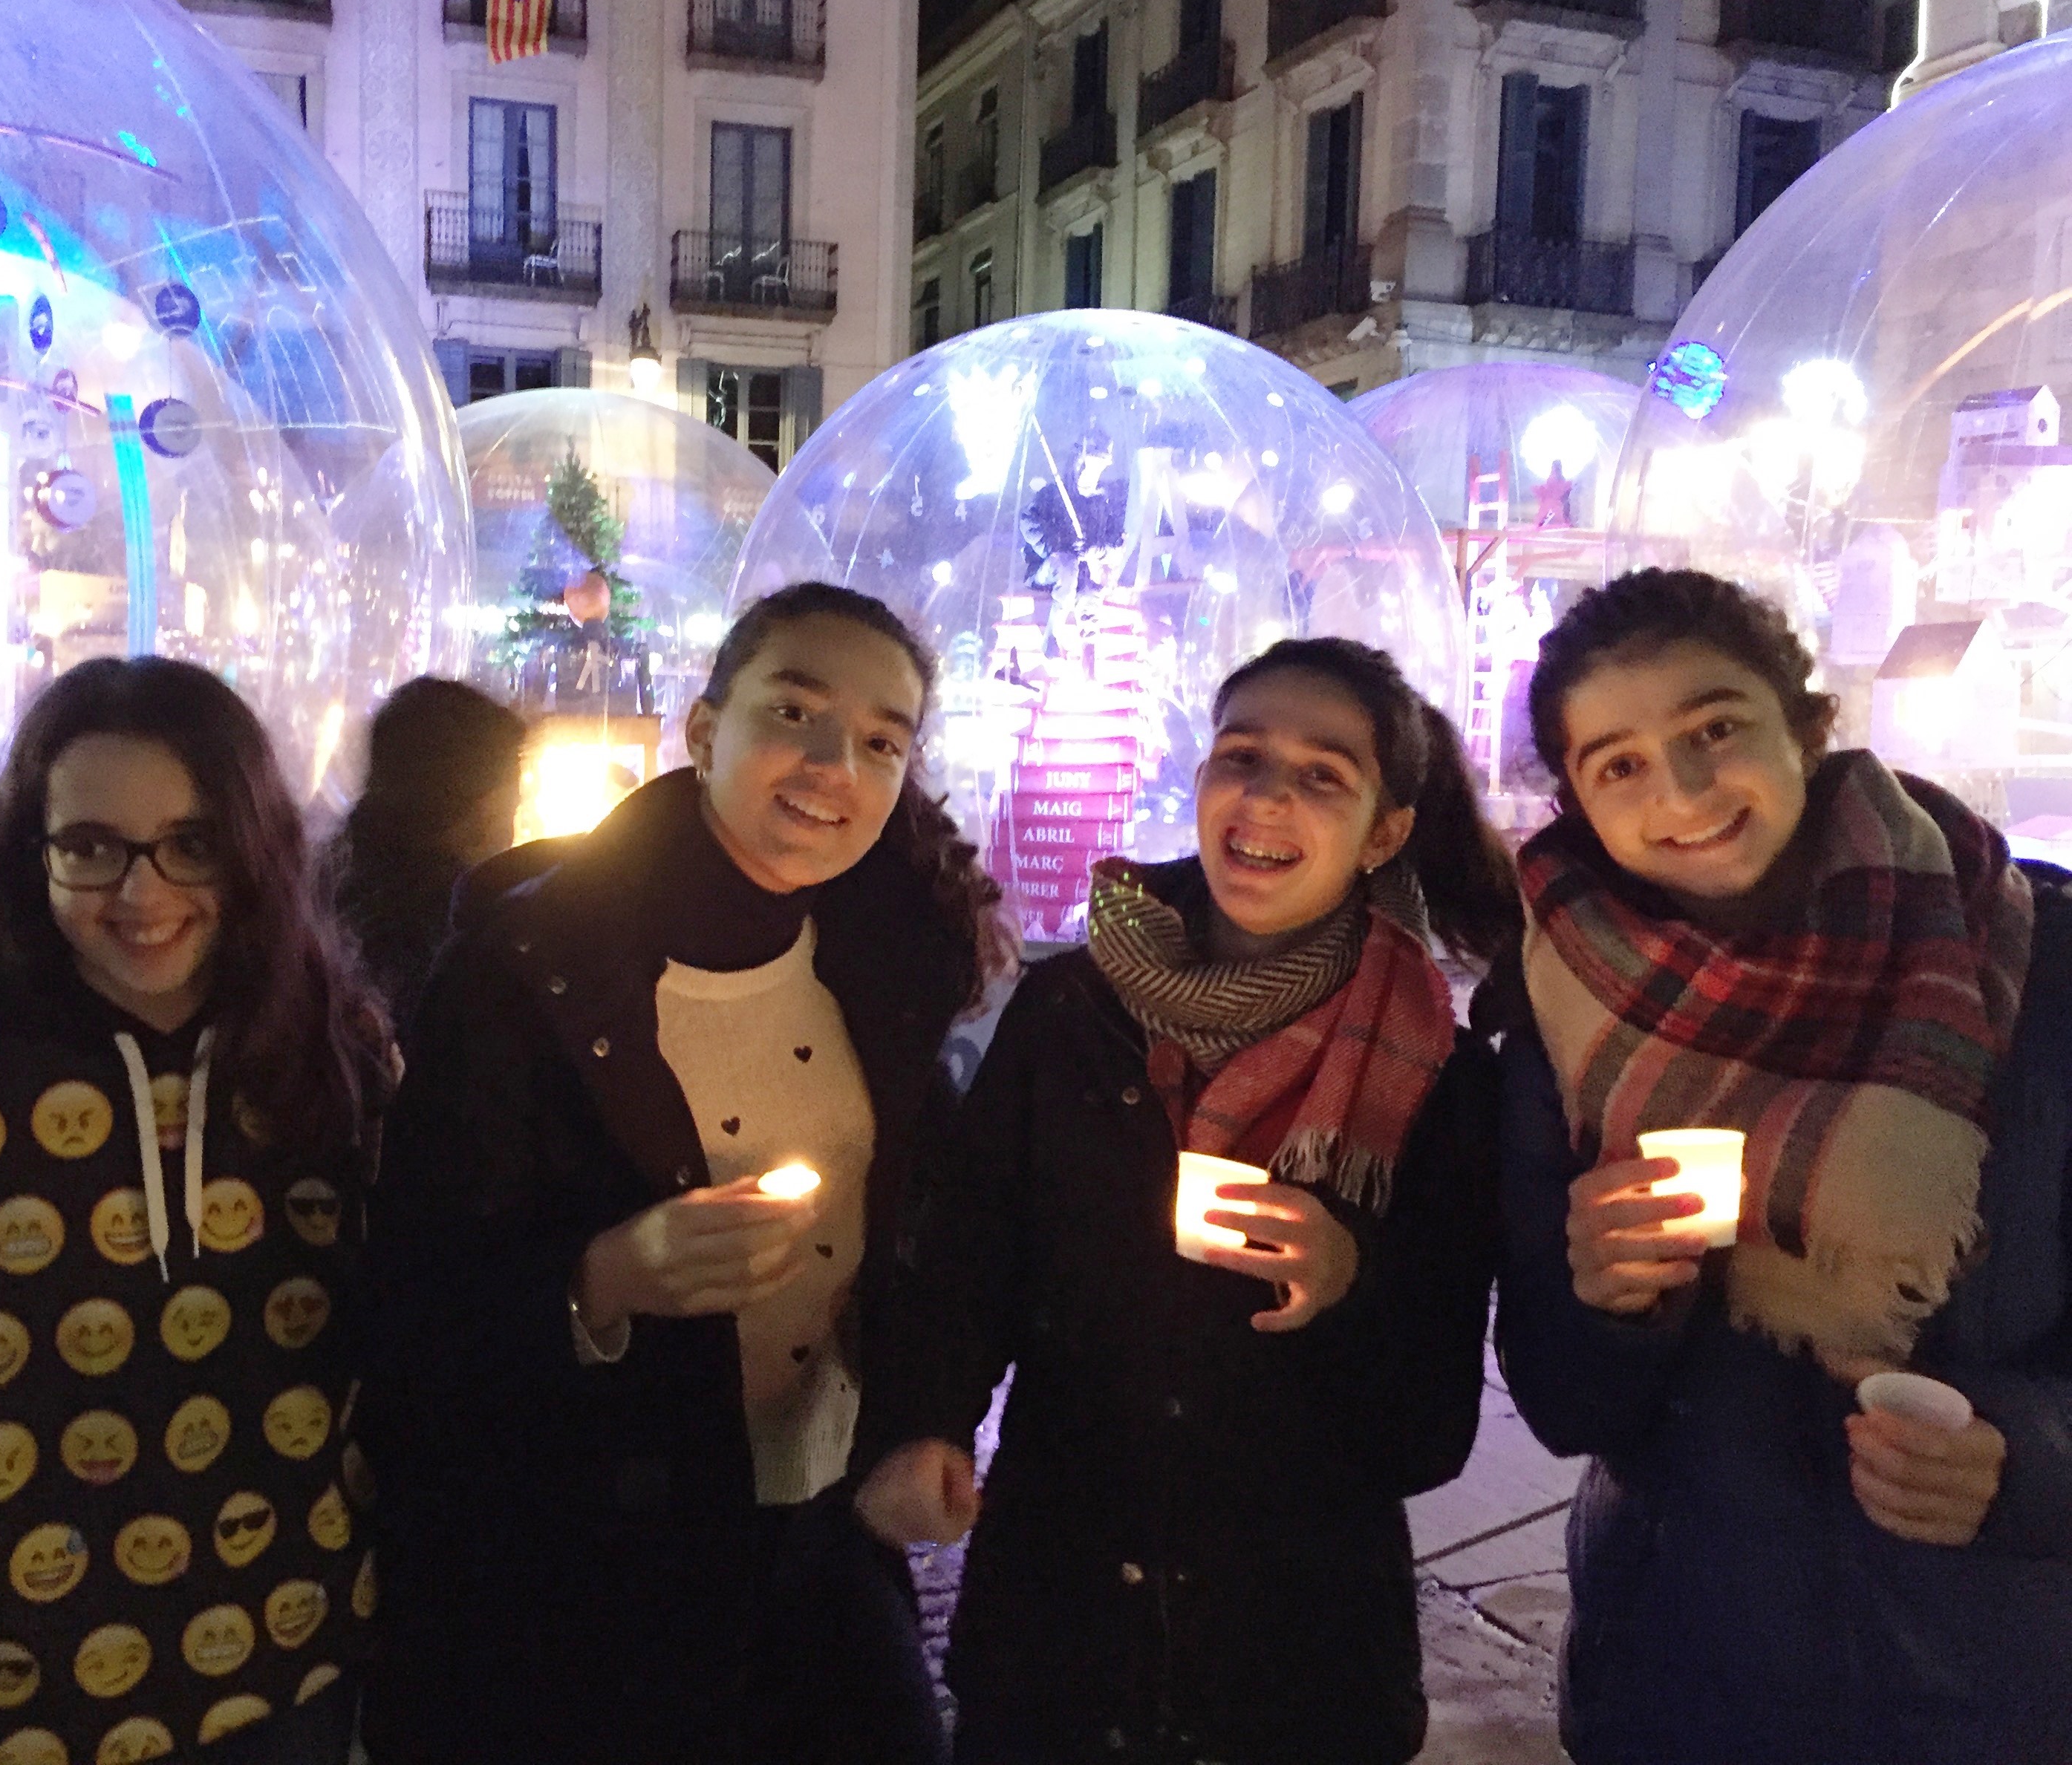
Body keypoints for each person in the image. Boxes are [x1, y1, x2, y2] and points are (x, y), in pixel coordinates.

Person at [358, 583, 1013, 1765]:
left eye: (880, 742)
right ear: (705, 731)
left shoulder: (891, 960)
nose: (833, 766)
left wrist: (919, 1429)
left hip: (827, 1538)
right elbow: (414, 1298)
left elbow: (933, 1246)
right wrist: (600, 1281)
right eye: (795, 713)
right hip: (594, 1567)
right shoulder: (528, 967)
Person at [854, 637, 1520, 1765]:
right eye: (1241, 755)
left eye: (1323, 775)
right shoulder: (1074, 1009)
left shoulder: (1435, 1078)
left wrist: (1352, 1281)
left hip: (1297, 1670)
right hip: (1059, 1640)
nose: (1266, 797)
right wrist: (926, 1423)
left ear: (1386, 832)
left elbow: (1428, 1434)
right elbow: (966, 1254)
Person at [1489, 568, 2072, 1763]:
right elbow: (1561, 1405)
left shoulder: (2033, 958)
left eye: (1715, 729)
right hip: (1685, 1680)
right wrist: (1607, 1302)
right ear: (1579, 802)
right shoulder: (1561, 1007)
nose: (1683, 792)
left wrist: (2029, 1461)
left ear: (1807, 725)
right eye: (1620, 765)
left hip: (1987, 1686)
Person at [0, 657, 393, 1765]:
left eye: (191, 845)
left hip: (296, 1673)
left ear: (253, 849)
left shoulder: (328, 1048)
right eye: (92, 847)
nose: (142, 896)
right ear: (33, 853)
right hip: (18, 1704)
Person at [328, 676, 524, 1043]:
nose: (513, 835)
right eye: (513, 809)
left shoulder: (318, 885)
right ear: (486, 813)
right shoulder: (467, 946)